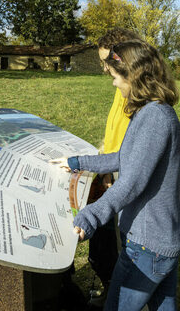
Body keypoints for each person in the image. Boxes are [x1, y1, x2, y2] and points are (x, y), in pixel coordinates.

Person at [51, 40, 180, 310]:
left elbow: (131, 183)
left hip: (147, 246)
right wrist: (77, 162)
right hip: (159, 243)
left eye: (115, 76)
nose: (113, 84)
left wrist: (88, 216)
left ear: (134, 76)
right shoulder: (150, 111)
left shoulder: (155, 118)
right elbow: (124, 158)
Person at [87, 28, 142, 306]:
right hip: (112, 165)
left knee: (121, 243)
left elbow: (133, 141)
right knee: (106, 240)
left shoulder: (134, 89)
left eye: (107, 61)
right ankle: (113, 289)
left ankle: (124, 298)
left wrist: (112, 171)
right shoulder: (120, 85)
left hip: (123, 171)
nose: (104, 69)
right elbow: (115, 128)